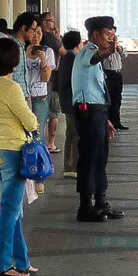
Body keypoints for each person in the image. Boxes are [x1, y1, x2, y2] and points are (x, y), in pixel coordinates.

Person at [0, 38, 39, 276]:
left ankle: (21, 261)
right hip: (12, 152)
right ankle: (2, 265)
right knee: (9, 211)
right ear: (13, 62)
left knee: (15, 212)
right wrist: (33, 122)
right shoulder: (11, 88)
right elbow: (29, 120)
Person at [72, 16, 124, 222]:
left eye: (112, 34)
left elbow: (96, 89)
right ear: (95, 35)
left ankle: (101, 202)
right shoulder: (87, 52)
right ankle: (85, 206)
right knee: (89, 158)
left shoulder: (95, 55)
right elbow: (95, 58)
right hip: (88, 112)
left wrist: (106, 119)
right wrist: (110, 51)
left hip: (98, 112)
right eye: (107, 34)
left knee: (100, 158)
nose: (110, 38)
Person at [25, 25, 55, 194]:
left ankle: (39, 177)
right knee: (22, 138)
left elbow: (46, 78)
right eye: (33, 32)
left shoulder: (48, 51)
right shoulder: (21, 50)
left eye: (39, 33)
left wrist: (42, 60)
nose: (36, 36)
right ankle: (25, 171)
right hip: (23, 98)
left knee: (37, 137)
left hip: (39, 99)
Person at [58, 31, 82, 178]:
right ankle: (75, 167)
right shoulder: (73, 58)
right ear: (77, 43)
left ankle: (68, 166)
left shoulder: (66, 57)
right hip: (72, 101)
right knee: (76, 135)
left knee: (70, 134)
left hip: (66, 100)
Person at [40, 12, 64, 153]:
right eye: (51, 21)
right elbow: (63, 51)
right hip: (52, 79)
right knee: (54, 111)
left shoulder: (42, 39)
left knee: (41, 112)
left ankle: (41, 143)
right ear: (44, 22)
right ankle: (51, 143)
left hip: (40, 81)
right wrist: (57, 36)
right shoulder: (49, 37)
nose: (53, 24)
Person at [102, 32, 128, 130]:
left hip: (117, 74)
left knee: (117, 98)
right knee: (108, 99)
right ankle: (107, 122)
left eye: (113, 35)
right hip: (107, 74)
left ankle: (116, 122)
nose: (112, 37)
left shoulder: (119, 47)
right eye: (109, 35)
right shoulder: (103, 48)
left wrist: (119, 49)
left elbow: (125, 55)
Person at [11, 12, 37, 104]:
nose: (34, 34)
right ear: (23, 28)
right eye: (33, 29)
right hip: (16, 97)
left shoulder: (22, 46)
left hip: (23, 95)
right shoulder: (12, 46)